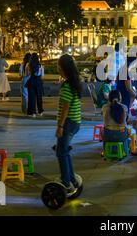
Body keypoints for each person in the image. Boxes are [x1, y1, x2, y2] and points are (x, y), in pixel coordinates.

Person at [55, 54, 82, 194]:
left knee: (61, 152)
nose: (57, 68)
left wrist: (60, 126)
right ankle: (72, 178)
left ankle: (66, 182)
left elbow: (65, 107)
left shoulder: (67, 86)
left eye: (58, 65)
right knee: (64, 151)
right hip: (75, 121)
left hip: (68, 123)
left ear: (63, 68)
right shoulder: (74, 83)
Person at [101, 90, 129, 155]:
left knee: (103, 130)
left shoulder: (104, 107)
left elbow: (102, 115)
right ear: (120, 98)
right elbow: (126, 119)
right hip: (121, 135)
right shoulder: (124, 107)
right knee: (126, 131)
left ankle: (105, 151)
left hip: (107, 135)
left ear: (109, 98)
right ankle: (124, 151)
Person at [26, 53, 45, 117]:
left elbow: (28, 74)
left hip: (31, 82)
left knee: (32, 98)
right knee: (39, 97)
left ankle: (32, 112)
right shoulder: (40, 66)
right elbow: (42, 76)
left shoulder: (28, 65)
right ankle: (40, 111)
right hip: (38, 82)